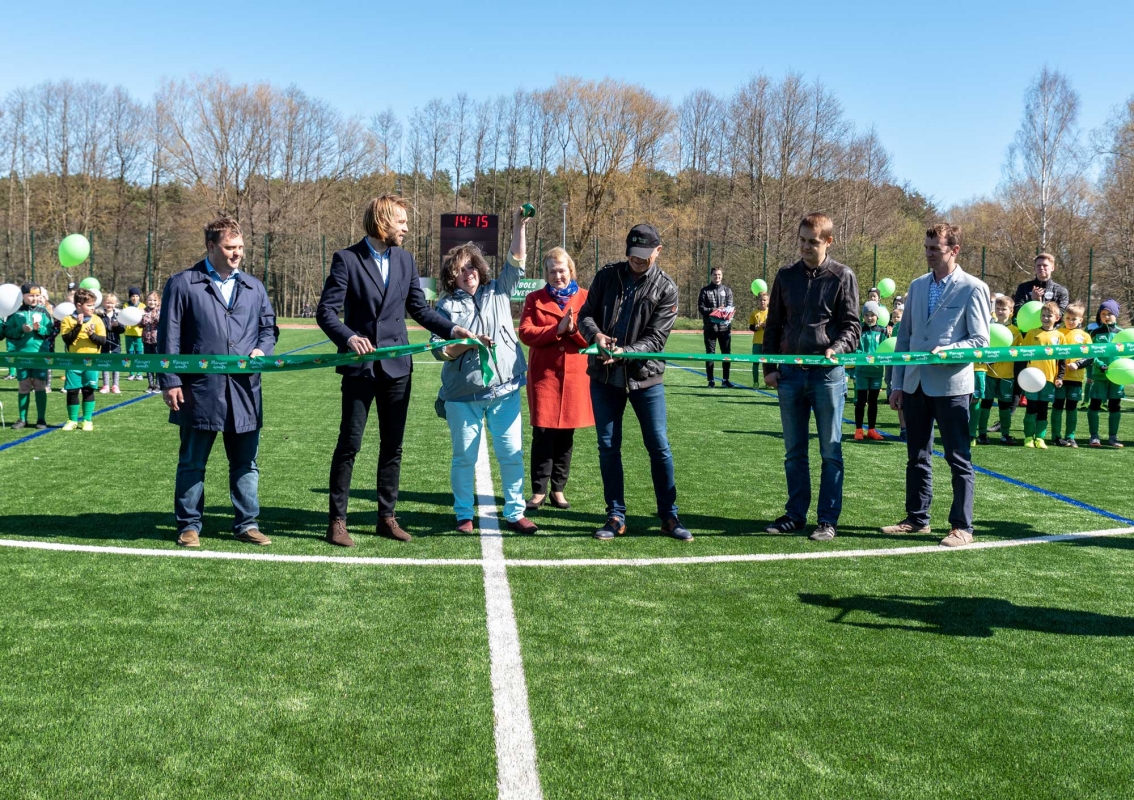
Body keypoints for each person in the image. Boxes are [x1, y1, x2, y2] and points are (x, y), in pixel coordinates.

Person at [316, 194, 485, 548]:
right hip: (360, 369)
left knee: (393, 446)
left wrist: (454, 330)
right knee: (350, 444)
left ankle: (386, 518)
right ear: (382, 221)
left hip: (398, 371)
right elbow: (326, 313)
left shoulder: (406, 261)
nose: (407, 228)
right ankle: (337, 521)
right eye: (402, 222)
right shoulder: (346, 259)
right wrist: (349, 338)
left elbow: (420, 311)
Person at [158, 216, 277, 548]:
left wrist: (261, 349)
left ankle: (247, 524)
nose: (236, 254)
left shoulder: (254, 286)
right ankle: (189, 526)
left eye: (240, 247)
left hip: (244, 389)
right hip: (199, 388)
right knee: (193, 461)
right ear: (211, 247)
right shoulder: (183, 283)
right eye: (229, 247)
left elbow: (269, 329)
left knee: (245, 463)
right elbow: (169, 336)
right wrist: (170, 380)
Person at [578, 223, 691, 542]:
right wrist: (596, 335)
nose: (637, 261)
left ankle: (669, 516)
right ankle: (615, 515)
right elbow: (585, 316)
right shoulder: (606, 276)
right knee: (608, 446)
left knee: (658, 446)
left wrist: (625, 353)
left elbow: (656, 338)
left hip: (646, 377)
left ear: (658, 250)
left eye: (644, 255)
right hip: (603, 376)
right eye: (632, 255)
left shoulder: (666, 288)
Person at [884, 223, 990, 547]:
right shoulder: (916, 286)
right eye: (927, 247)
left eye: (935, 249)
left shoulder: (973, 288)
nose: (928, 253)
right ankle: (917, 519)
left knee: (958, 458)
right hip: (914, 384)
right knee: (916, 455)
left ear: (954, 250)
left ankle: (962, 527)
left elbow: (980, 341)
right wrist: (896, 383)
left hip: (953, 386)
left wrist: (949, 352)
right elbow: (904, 338)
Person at [432, 210, 537, 534]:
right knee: (465, 458)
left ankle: (515, 512)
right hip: (463, 395)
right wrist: (470, 343)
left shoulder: (499, 290)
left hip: (504, 391)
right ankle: (464, 513)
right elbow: (440, 350)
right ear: (453, 275)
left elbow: (517, 259)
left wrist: (519, 225)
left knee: (511, 455)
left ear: (480, 268)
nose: (468, 272)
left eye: (472, 266)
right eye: (461, 269)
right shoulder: (445, 306)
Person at [761, 213, 860, 542]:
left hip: (827, 376)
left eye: (813, 241)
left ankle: (827, 520)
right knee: (793, 451)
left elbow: (852, 326)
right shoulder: (785, 275)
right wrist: (770, 368)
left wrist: (838, 347)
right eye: (802, 240)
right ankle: (795, 515)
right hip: (789, 375)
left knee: (831, 451)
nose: (805, 246)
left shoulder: (842, 276)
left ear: (828, 242)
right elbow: (773, 324)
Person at [518, 245, 593, 511]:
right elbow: (526, 333)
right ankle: (538, 490)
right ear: (545, 274)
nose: (557, 276)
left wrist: (572, 332)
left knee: (565, 438)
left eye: (561, 270)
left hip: (575, 377)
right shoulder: (535, 298)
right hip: (544, 378)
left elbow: (593, 339)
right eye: (551, 272)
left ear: (570, 271)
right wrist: (557, 330)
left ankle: (558, 490)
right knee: (542, 434)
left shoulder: (586, 298)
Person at [4, 284, 51, 429]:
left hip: (40, 355)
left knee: (39, 385)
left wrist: (40, 329)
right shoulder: (15, 312)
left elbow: (51, 331)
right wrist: (21, 329)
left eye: (37, 295)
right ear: (22, 296)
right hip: (21, 355)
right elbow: (8, 332)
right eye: (31, 295)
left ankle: (41, 419)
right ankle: (22, 419)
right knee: (24, 386)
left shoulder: (44, 312)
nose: (35, 298)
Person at [59, 288, 107, 431]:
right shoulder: (68, 319)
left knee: (88, 390)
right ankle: (72, 420)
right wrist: (78, 326)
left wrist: (92, 335)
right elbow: (67, 339)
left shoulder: (97, 320)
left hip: (91, 362)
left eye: (93, 305)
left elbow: (103, 341)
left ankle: (87, 420)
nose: (93, 308)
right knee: (72, 391)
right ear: (79, 306)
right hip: (73, 362)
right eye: (89, 305)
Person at [1020, 302, 1065, 449]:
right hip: (1031, 379)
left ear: (1057, 318)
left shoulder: (1059, 336)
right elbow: (1023, 355)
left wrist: (1060, 376)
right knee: (1031, 408)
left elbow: (1062, 359)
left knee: (1043, 409)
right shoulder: (1032, 333)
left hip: (1049, 380)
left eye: (1049, 316)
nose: (1045, 318)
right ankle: (1028, 437)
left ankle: (1040, 438)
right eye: (1043, 315)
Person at [982, 295, 1022, 445]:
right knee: (986, 403)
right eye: (997, 308)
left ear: (1011, 311)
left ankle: (1005, 434)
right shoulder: (988, 329)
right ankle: (981, 433)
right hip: (989, 373)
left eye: (1003, 309)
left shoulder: (1016, 331)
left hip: (1007, 375)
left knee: (1005, 405)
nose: (1000, 311)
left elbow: (1020, 353)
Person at [1087, 299, 1124, 448]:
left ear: (1116, 315)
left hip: (1117, 377)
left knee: (1115, 406)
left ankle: (1113, 437)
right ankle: (1094, 436)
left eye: (1109, 313)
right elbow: (1090, 353)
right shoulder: (1095, 333)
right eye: (1103, 314)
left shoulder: (1122, 333)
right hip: (1099, 375)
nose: (1106, 316)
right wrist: (1100, 364)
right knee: (1094, 405)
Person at [1054, 301, 1090, 447]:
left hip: (1075, 379)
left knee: (1071, 407)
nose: (1070, 321)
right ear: (1063, 318)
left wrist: (1078, 364)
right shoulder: (1057, 333)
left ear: (1080, 320)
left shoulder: (1085, 336)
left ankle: (1070, 436)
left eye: (1074, 319)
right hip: (1058, 378)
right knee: (1057, 406)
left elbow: (1090, 356)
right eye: (1068, 318)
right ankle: (1056, 436)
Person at [853, 302, 886, 441]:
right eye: (866, 315)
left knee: (873, 401)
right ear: (863, 316)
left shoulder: (883, 331)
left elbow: (885, 348)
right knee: (860, 401)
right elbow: (855, 347)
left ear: (877, 316)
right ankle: (859, 430)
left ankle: (872, 430)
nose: (869, 317)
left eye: (872, 315)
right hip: (861, 371)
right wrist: (864, 356)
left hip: (877, 372)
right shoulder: (859, 329)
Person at [699, 267, 735, 388]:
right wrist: (714, 310)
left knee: (726, 354)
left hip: (725, 329)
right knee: (710, 354)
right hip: (710, 328)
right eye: (715, 275)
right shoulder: (704, 291)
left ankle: (725, 379)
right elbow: (701, 308)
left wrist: (724, 312)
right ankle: (711, 380)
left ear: (722, 276)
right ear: (711, 276)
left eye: (719, 275)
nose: (717, 277)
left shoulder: (727, 290)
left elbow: (730, 308)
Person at [97, 292, 125, 394]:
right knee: (105, 364)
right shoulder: (100, 315)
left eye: (112, 303)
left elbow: (122, 329)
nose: (110, 305)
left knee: (115, 365)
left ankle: (115, 385)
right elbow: (98, 327)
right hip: (103, 344)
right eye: (108, 302)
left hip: (115, 344)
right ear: (104, 303)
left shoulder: (118, 315)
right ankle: (105, 385)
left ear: (115, 304)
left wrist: (117, 325)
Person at [123, 286, 146, 381]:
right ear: (129, 297)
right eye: (132, 296)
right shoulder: (126, 305)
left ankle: (139, 373)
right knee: (130, 353)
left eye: (137, 296)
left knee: (139, 353)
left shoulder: (143, 306)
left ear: (139, 297)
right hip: (128, 333)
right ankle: (131, 373)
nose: (135, 298)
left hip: (139, 334)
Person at [142, 291, 162, 394]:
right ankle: (150, 384)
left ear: (158, 301)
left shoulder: (161, 311)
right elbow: (139, 324)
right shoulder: (143, 311)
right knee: (148, 362)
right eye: (150, 300)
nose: (152, 302)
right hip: (146, 340)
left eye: (154, 300)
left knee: (158, 361)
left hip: (157, 340)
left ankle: (158, 384)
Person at [748, 291, 769, 387]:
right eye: (760, 300)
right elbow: (751, 326)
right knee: (755, 363)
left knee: (767, 363)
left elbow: (774, 326)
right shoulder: (754, 313)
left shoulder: (771, 312)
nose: (762, 302)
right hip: (757, 342)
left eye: (764, 300)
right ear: (757, 301)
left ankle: (767, 383)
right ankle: (755, 382)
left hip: (768, 342)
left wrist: (766, 326)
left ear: (768, 301)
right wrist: (755, 328)